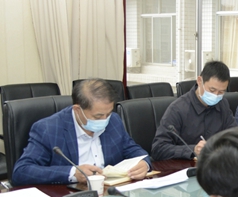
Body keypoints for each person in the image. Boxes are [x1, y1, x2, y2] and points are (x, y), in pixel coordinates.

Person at [12, 79, 150, 186]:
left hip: (109, 195)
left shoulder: (113, 120)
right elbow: (21, 171)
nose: (105, 119)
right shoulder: (48, 129)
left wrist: (144, 163)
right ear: (77, 110)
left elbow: (134, 150)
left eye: (108, 113)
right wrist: (73, 173)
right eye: (98, 116)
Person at [151, 61, 237, 161]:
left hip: (216, 165)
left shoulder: (223, 104)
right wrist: (192, 150)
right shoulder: (178, 109)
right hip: (185, 166)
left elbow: (235, 136)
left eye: (221, 92)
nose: (216, 95)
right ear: (199, 81)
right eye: (212, 90)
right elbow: (158, 149)